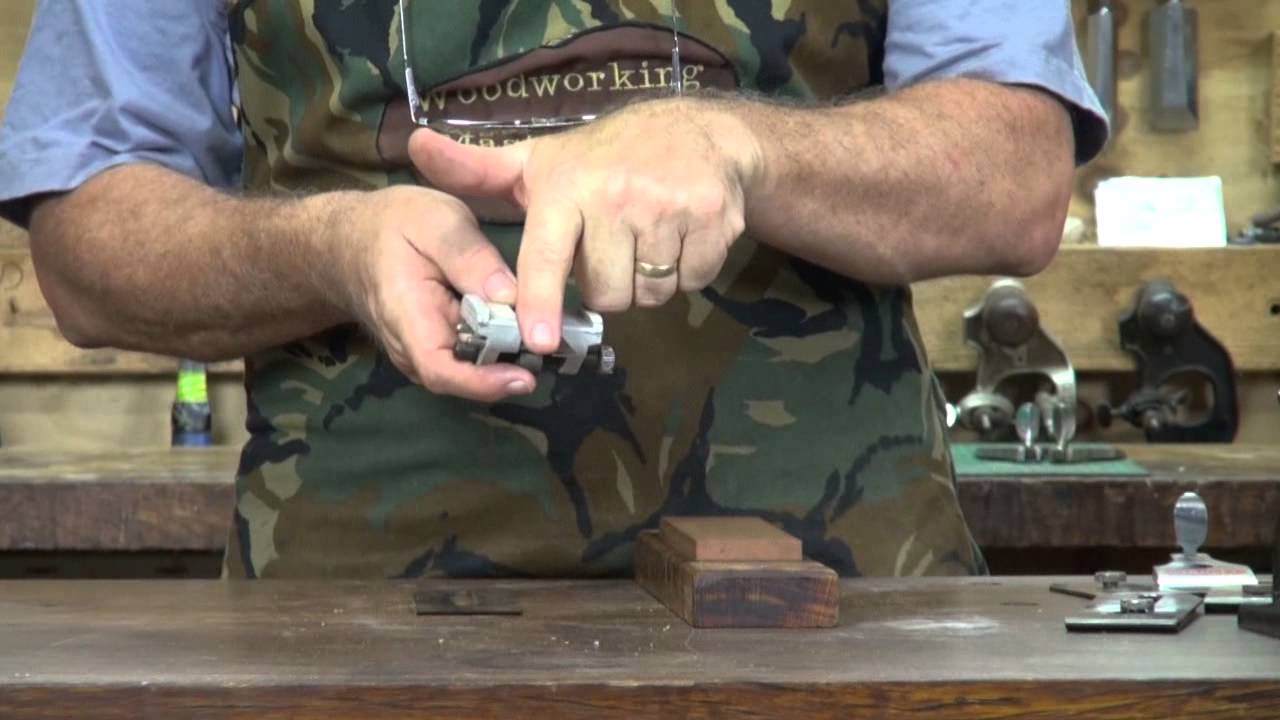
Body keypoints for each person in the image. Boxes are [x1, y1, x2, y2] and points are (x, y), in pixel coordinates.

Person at [0, 1, 1106, 579]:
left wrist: (744, 150)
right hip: (354, 625)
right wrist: (328, 248)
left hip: (840, 604)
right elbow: (89, 251)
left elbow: (1013, 176)